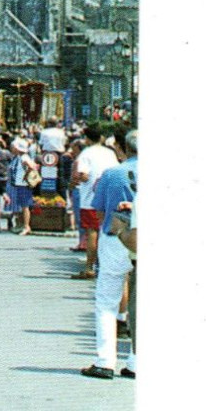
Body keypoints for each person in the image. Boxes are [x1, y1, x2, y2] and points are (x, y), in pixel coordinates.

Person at [81, 130, 137, 380]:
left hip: (116, 237)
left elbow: (100, 212)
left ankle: (105, 361)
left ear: (124, 149)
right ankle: (135, 361)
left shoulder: (112, 174)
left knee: (107, 299)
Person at [72, 125, 120, 280]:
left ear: (87, 139)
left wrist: (77, 179)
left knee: (92, 232)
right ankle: (104, 265)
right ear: (101, 138)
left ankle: (89, 267)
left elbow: (84, 176)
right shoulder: (110, 153)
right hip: (109, 197)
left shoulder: (85, 154)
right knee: (106, 231)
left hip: (90, 199)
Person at [4, 138, 39, 237]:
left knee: (25, 206)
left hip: (24, 184)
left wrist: (26, 174)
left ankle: (26, 226)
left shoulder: (24, 157)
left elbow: (32, 167)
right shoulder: (20, 157)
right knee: (23, 206)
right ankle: (23, 225)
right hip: (20, 184)